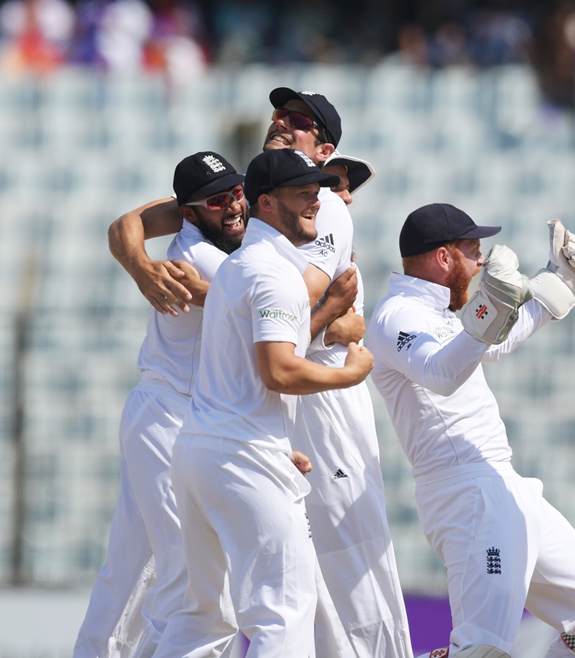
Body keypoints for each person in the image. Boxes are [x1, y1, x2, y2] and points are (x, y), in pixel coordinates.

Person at [110, 88, 411, 658]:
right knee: (276, 596)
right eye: (279, 113)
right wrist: (144, 269)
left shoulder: (319, 212)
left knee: (344, 554)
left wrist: (217, 293)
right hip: (271, 399)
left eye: (296, 120)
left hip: (307, 405)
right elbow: (125, 225)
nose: (280, 121)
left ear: (323, 155)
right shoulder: (244, 202)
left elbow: (299, 305)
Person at [366, 203, 575, 658]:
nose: (480, 261)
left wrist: (560, 284)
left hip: (505, 485)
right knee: (480, 651)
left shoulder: (441, 312)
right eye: (471, 250)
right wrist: (490, 306)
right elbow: (440, 373)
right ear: (444, 258)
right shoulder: (396, 315)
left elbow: (491, 345)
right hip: (467, 494)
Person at [152, 148, 373, 658]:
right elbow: (278, 370)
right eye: (303, 194)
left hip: (203, 450)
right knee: (283, 613)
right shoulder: (273, 274)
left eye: (317, 191)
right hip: (241, 456)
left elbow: (238, 371)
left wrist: (273, 438)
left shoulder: (238, 268)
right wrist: (348, 375)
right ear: (267, 203)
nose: (316, 202)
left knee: (201, 619)